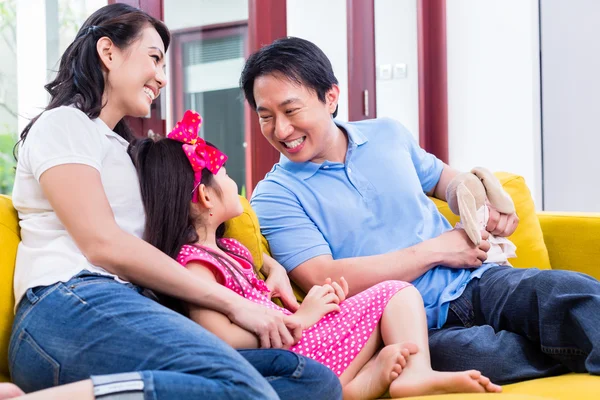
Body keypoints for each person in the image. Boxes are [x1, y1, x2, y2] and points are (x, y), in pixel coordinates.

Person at [9, 5, 341, 399]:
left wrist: (267, 263)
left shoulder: (127, 152)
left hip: (125, 308)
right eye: (154, 58)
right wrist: (233, 304)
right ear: (108, 52)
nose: (163, 78)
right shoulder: (65, 124)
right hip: (67, 309)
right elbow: (102, 242)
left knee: (310, 380)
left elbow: (190, 226)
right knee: (246, 389)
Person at [241, 36, 600, 385]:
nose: (281, 129)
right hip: (406, 321)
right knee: (483, 356)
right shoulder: (274, 196)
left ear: (330, 97)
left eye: (291, 110)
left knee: (563, 291)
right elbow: (324, 277)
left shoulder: (387, 134)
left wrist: (479, 201)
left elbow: (443, 179)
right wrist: (437, 251)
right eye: (266, 116)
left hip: (474, 281)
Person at [130, 109, 502, 399]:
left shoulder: (227, 249)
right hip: (297, 348)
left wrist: (273, 269)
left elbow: (257, 267)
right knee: (397, 291)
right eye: (225, 175)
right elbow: (220, 338)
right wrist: (303, 319)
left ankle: (357, 384)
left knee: (396, 298)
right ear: (207, 197)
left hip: (301, 335)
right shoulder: (197, 265)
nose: (232, 181)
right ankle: (404, 375)